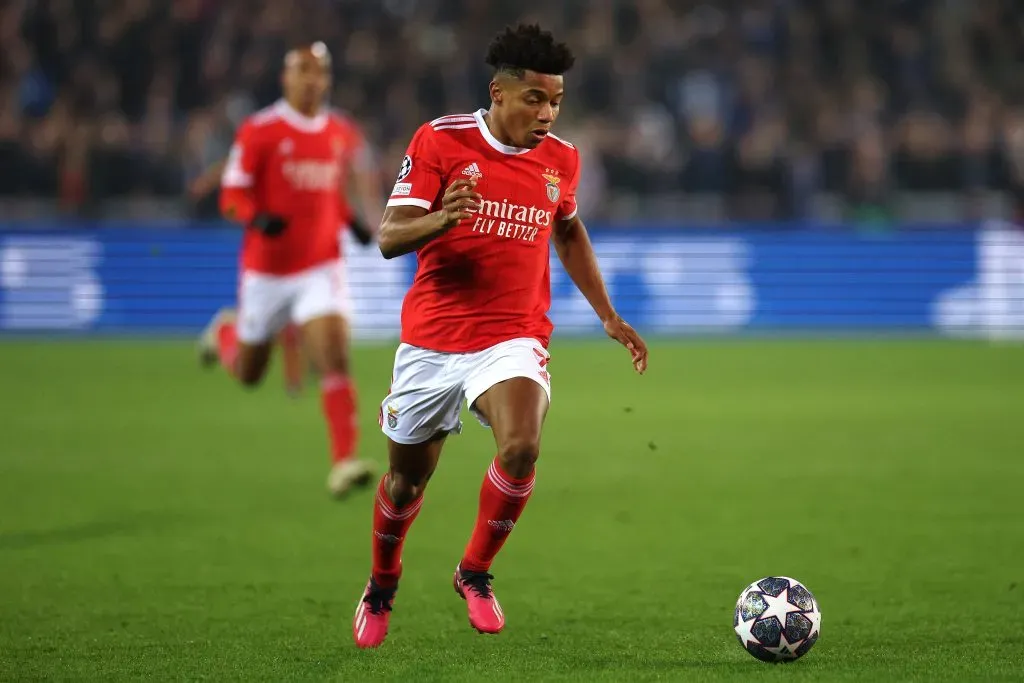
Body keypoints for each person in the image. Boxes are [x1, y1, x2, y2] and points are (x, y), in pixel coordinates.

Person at [352, 24, 648, 649]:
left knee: (521, 446)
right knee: (406, 483)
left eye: (557, 102)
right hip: (433, 340)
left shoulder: (561, 159)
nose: (547, 114)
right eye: (536, 100)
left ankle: (475, 572)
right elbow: (388, 237)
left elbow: (567, 231)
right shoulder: (441, 140)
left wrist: (607, 313)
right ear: (500, 93)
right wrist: (442, 218)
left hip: (511, 336)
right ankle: (382, 583)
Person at [197, 42, 380, 498]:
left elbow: (329, 194)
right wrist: (256, 217)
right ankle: (226, 334)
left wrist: (352, 221)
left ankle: (344, 461)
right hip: (267, 273)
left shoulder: (340, 132)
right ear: (286, 78)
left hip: (320, 267)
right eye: (303, 71)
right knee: (248, 373)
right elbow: (232, 193)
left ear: (327, 80)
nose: (311, 80)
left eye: (319, 72)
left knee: (336, 356)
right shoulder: (260, 130)